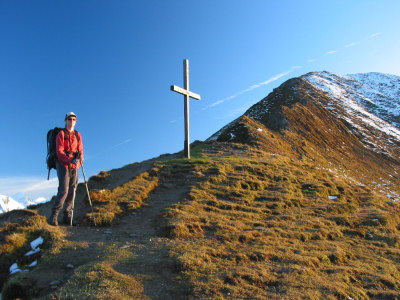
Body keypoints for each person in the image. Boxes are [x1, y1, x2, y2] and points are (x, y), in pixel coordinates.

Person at [49, 112, 84, 226]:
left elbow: (80, 150)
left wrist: (80, 160)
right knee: (64, 189)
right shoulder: (61, 134)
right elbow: (59, 152)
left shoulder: (78, 135)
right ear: (65, 121)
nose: (72, 121)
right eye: (69, 119)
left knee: (72, 190)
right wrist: (69, 160)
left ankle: (67, 216)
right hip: (62, 163)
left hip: (75, 165)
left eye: (74, 119)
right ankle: (54, 215)